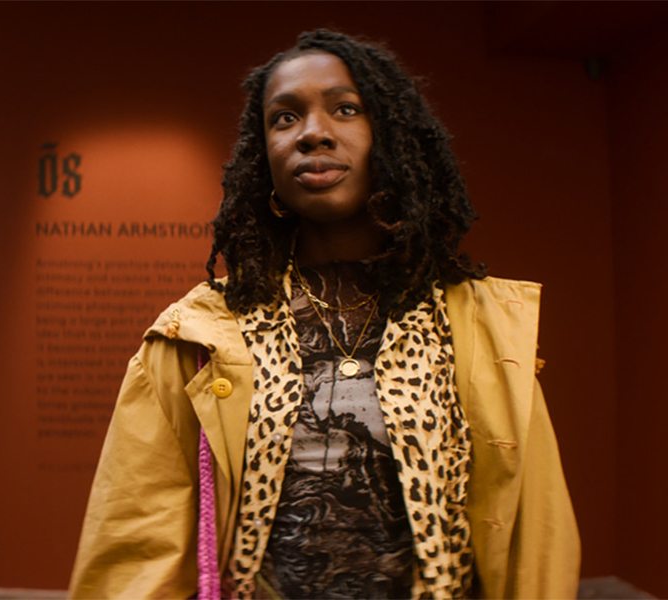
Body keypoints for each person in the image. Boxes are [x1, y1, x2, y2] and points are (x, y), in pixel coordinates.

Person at [69, 30, 579, 600]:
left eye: (345, 109)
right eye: (284, 118)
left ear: (390, 137)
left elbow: (536, 538)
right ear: (263, 155)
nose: (312, 132)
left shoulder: (484, 326)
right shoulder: (199, 331)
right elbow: (136, 542)